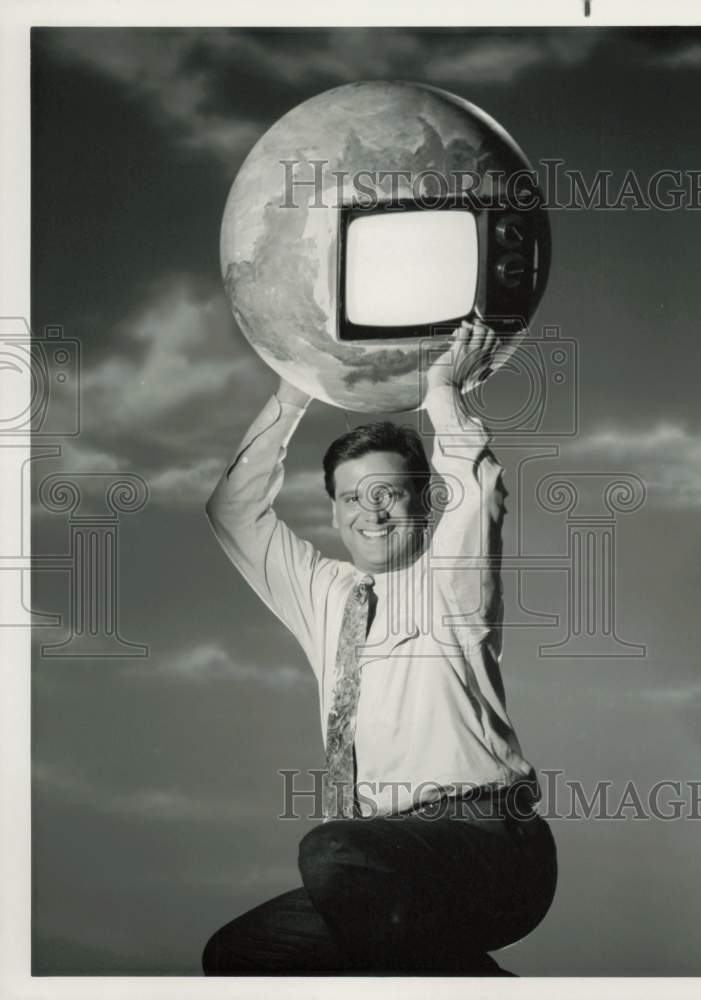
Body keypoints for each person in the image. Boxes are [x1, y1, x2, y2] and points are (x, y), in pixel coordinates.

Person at [201, 319, 557, 976]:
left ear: (423, 504)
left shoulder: (451, 580)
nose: (372, 512)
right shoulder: (325, 593)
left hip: (491, 848)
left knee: (332, 852)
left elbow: (475, 486)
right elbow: (233, 512)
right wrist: (292, 391)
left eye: (389, 493)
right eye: (352, 498)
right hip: (386, 865)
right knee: (240, 954)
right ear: (334, 513)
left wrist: (443, 392)